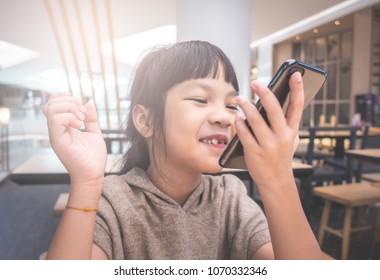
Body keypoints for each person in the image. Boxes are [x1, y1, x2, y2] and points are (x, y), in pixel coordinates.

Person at [43, 40, 322, 260]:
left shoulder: (230, 197)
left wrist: (278, 180)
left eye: (230, 105)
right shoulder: (113, 202)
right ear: (146, 120)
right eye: (201, 99)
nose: (224, 118)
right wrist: (86, 182)